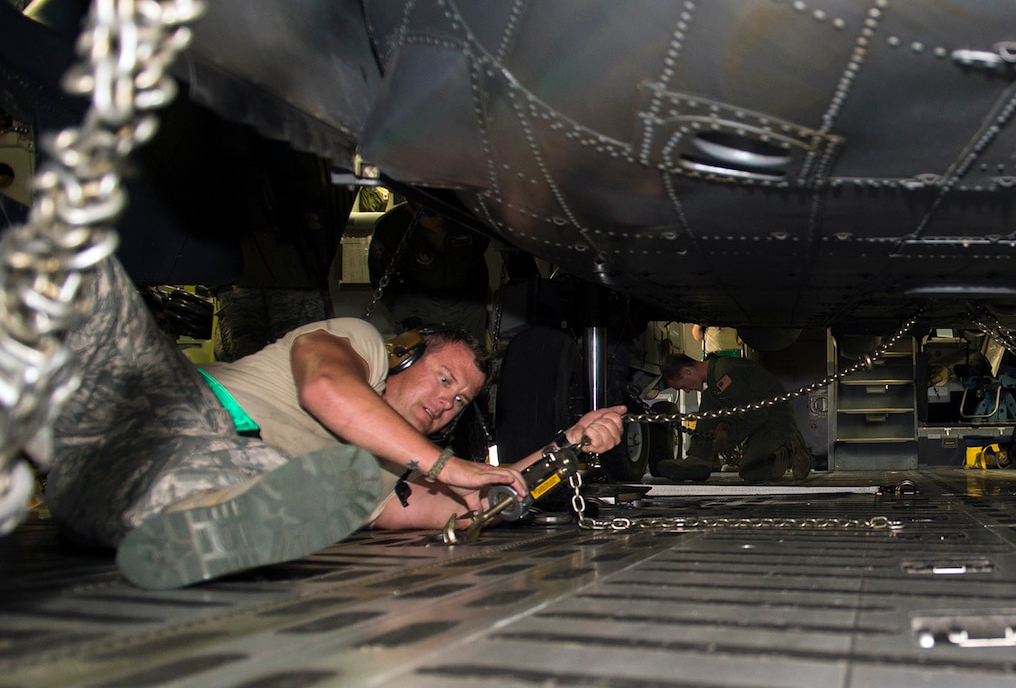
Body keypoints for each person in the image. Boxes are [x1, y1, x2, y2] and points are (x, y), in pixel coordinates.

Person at [38, 259, 626, 589]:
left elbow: (480, 504)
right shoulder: (361, 346)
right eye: (444, 380)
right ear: (405, 357)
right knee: (88, 272)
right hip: (158, 408)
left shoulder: (374, 476)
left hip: (137, 478)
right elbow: (325, 390)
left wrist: (572, 443)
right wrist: (445, 463)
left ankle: (178, 523)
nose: (449, 404)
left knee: (292, 485)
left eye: (461, 401)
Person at [660, 351, 811, 484]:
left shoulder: (725, 372)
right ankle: (698, 458)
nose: (686, 391)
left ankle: (791, 447)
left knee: (751, 472)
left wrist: (729, 436)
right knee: (708, 401)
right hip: (759, 420)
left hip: (775, 420)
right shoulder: (714, 384)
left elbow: (757, 414)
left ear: (687, 372)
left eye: (682, 386)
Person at [367, 200, 491, 336]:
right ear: (411, 209)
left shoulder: (471, 219)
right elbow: (381, 280)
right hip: (417, 302)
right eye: (429, 213)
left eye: (445, 211)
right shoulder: (391, 228)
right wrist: (403, 315)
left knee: (470, 353)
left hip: (468, 301)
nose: (440, 218)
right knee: (423, 353)